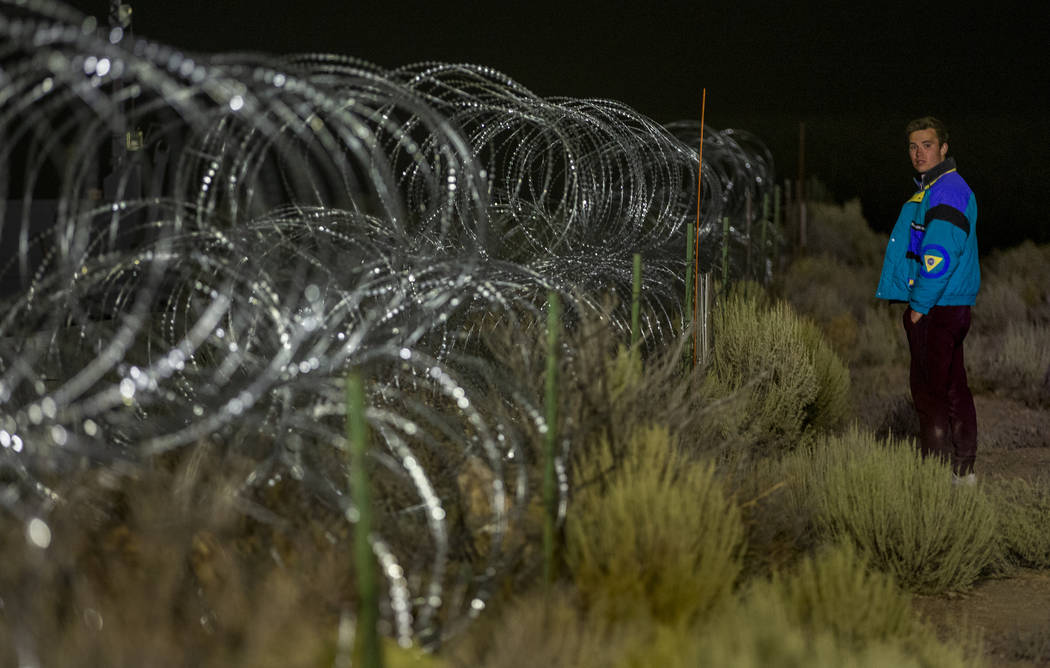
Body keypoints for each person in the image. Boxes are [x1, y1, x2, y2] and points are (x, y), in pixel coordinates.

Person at [875, 116, 980, 485]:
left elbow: (940, 255)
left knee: (929, 395)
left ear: (944, 147)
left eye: (927, 145)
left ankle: (933, 480)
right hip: (949, 304)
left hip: (937, 305)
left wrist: (918, 307)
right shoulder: (935, 186)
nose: (919, 153)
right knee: (952, 387)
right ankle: (962, 472)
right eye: (913, 146)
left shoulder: (947, 190)